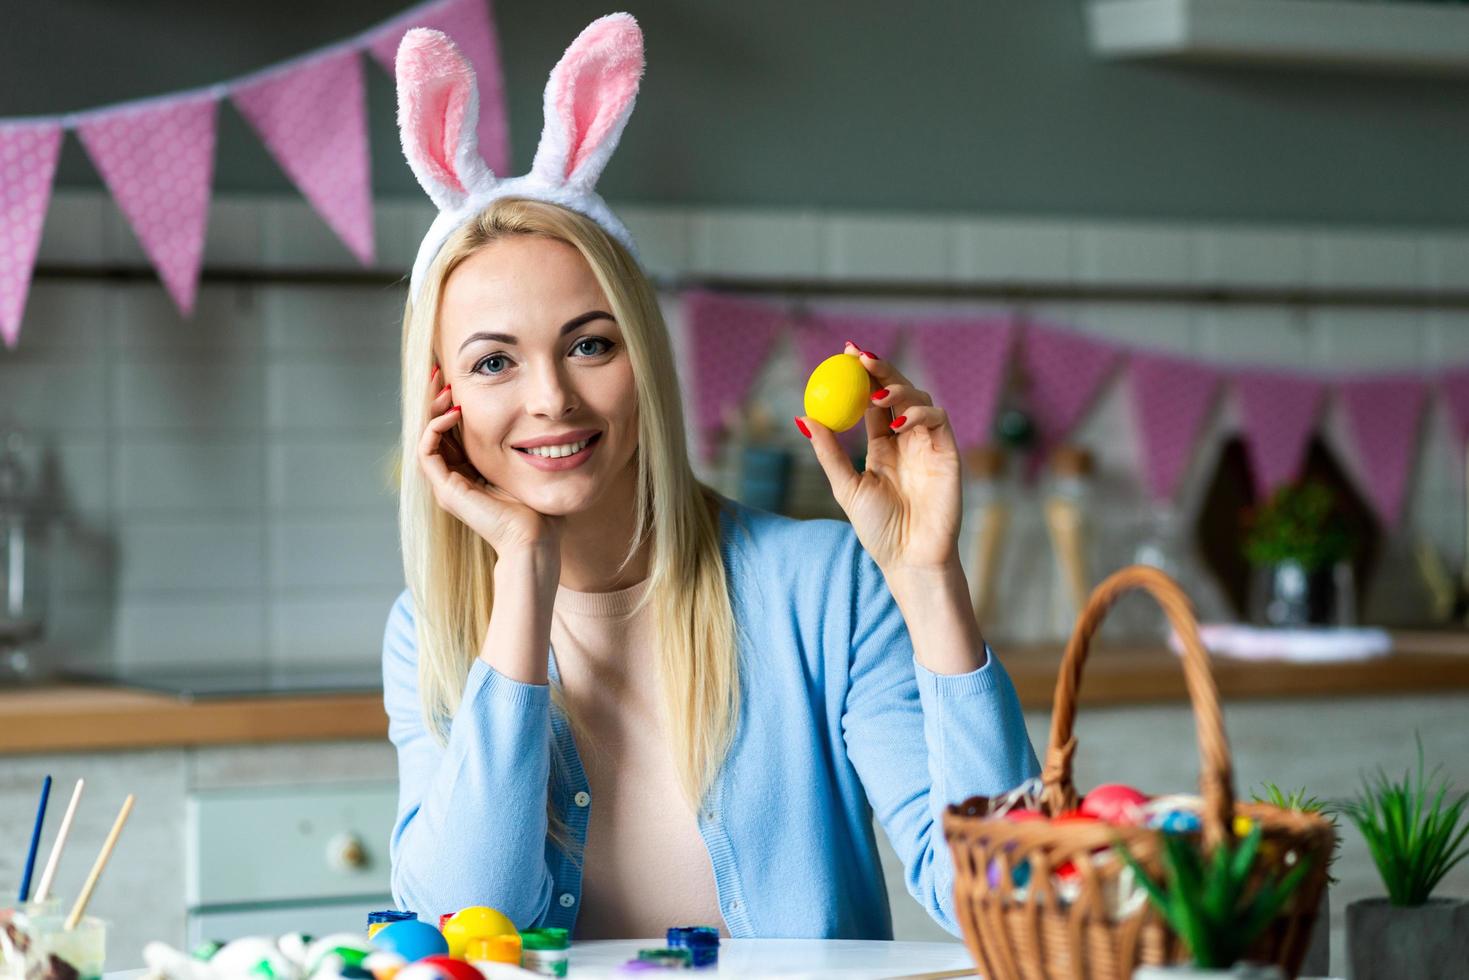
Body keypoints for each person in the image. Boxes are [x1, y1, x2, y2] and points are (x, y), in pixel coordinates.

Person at [382, 14, 1039, 941]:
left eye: (590, 344)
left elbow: (1008, 908)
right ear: (442, 399)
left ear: (643, 359)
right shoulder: (432, 631)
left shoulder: (821, 590)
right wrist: (521, 583)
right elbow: (464, 923)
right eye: (494, 363)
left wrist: (928, 581)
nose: (552, 398)